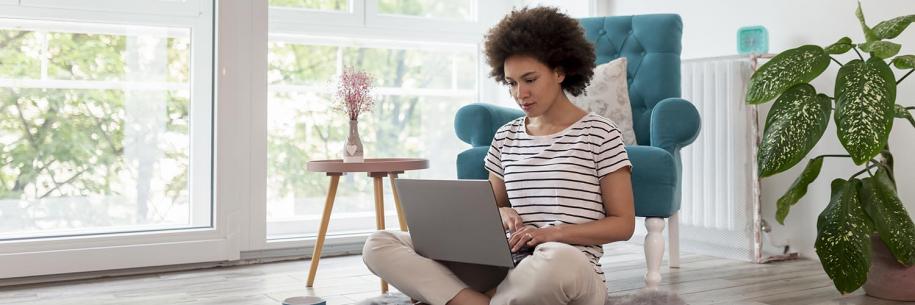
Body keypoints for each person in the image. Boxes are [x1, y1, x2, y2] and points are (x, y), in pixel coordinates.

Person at [362, 6, 634, 305]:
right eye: (512, 83)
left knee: (556, 260)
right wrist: (503, 214)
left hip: (567, 267)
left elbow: (623, 224)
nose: (520, 94)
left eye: (530, 79)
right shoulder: (506, 136)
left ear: (560, 71)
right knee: (379, 243)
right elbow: (493, 207)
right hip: (505, 267)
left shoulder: (600, 133)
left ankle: (464, 300)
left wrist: (551, 234)